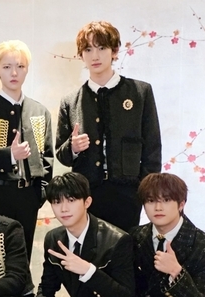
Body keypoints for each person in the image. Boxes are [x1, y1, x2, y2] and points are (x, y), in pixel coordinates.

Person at [55, 21, 161, 232]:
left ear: (115, 51)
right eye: (88, 49)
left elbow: (152, 147)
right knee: (90, 248)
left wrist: (144, 191)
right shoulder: (71, 101)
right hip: (86, 194)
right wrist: (72, 148)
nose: (95, 56)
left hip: (128, 193)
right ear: (81, 55)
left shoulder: (140, 93)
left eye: (102, 48)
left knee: (126, 247)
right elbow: (61, 154)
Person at [0, 40, 53, 262]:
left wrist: (40, 193)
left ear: (27, 69)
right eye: (7, 67)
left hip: (29, 198)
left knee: (22, 262)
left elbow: (47, 159)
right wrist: (9, 155)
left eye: (20, 66)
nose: (14, 73)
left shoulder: (40, 112)